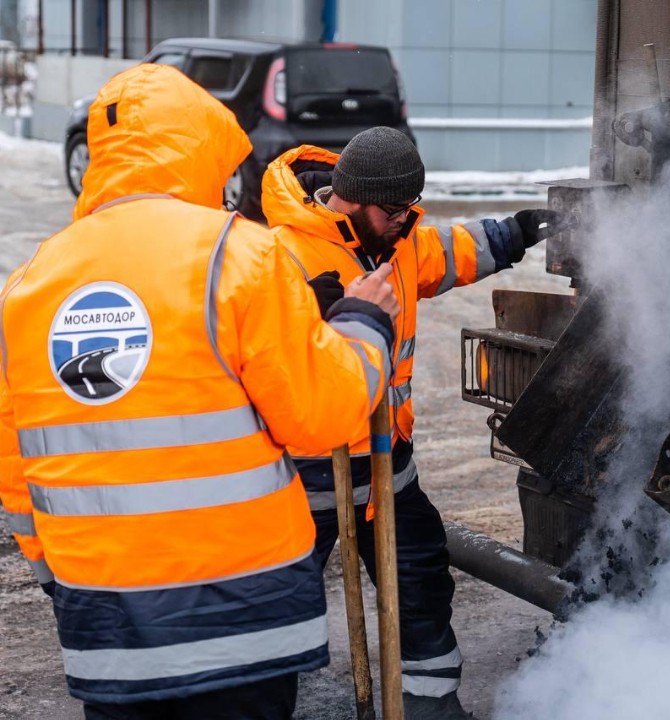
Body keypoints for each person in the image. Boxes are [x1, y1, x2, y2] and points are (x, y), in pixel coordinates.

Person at [0, 65, 399, 720]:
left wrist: (64, 582)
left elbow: (17, 474)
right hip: (244, 618)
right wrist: (365, 327)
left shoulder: (26, 286)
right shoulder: (241, 256)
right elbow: (321, 416)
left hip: (106, 624)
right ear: (202, 150)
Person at [261, 128, 566, 719]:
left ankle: (429, 708)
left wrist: (519, 231)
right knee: (274, 611)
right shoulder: (280, 256)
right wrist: (310, 320)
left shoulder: (398, 243)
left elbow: (452, 250)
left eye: (410, 209)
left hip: (387, 470)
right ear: (354, 197)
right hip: (305, 479)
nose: (405, 221)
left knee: (421, 586)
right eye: (394, 210)